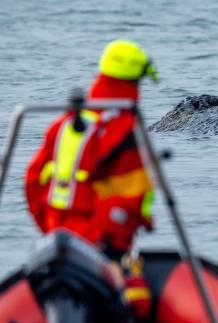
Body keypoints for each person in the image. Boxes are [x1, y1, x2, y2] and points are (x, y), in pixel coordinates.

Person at [25, 39, 157, 263]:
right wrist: (114, 248)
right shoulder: (124, 131)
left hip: (56, 238)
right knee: (138, 293)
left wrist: (50, 230)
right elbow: (130, 200)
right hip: (102, 245)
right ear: (137, 79)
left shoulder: (63, 124)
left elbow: (33, 183)